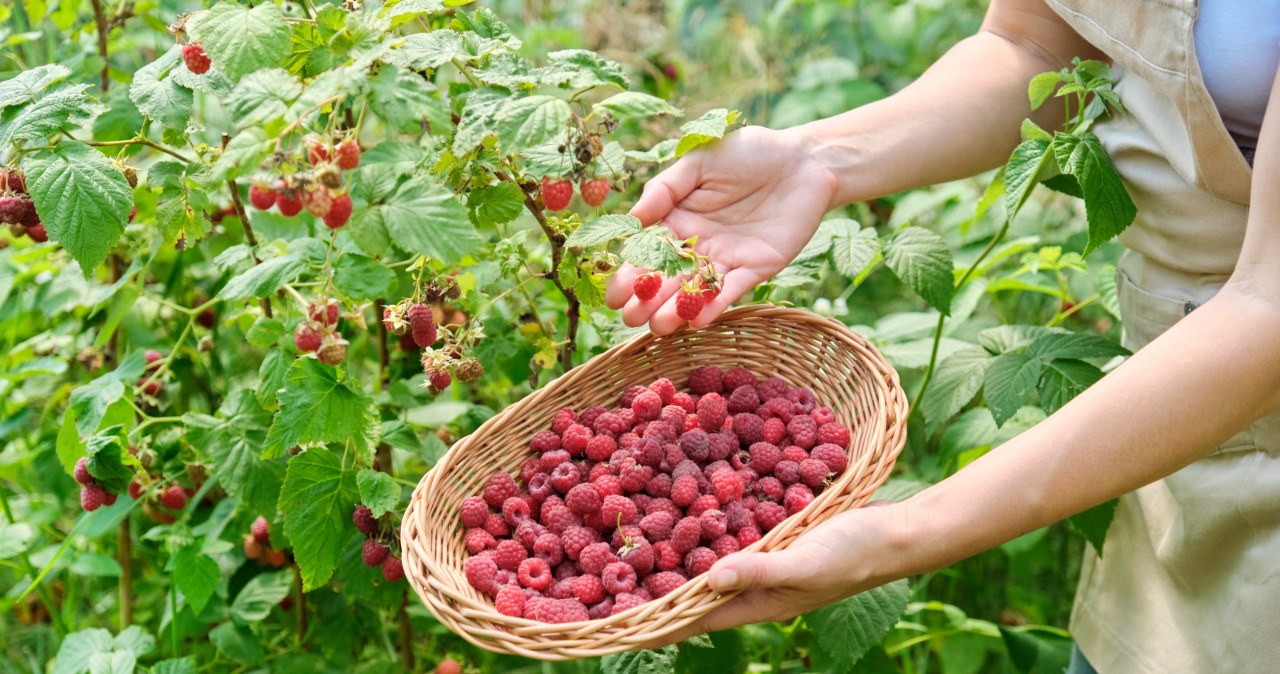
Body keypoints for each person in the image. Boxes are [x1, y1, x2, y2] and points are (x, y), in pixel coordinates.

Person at [604, 1, 1280, 672]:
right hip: (1163, 415)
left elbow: (1267, 310)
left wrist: (901, 532)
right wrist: (815, 159)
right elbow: (1037, 46)